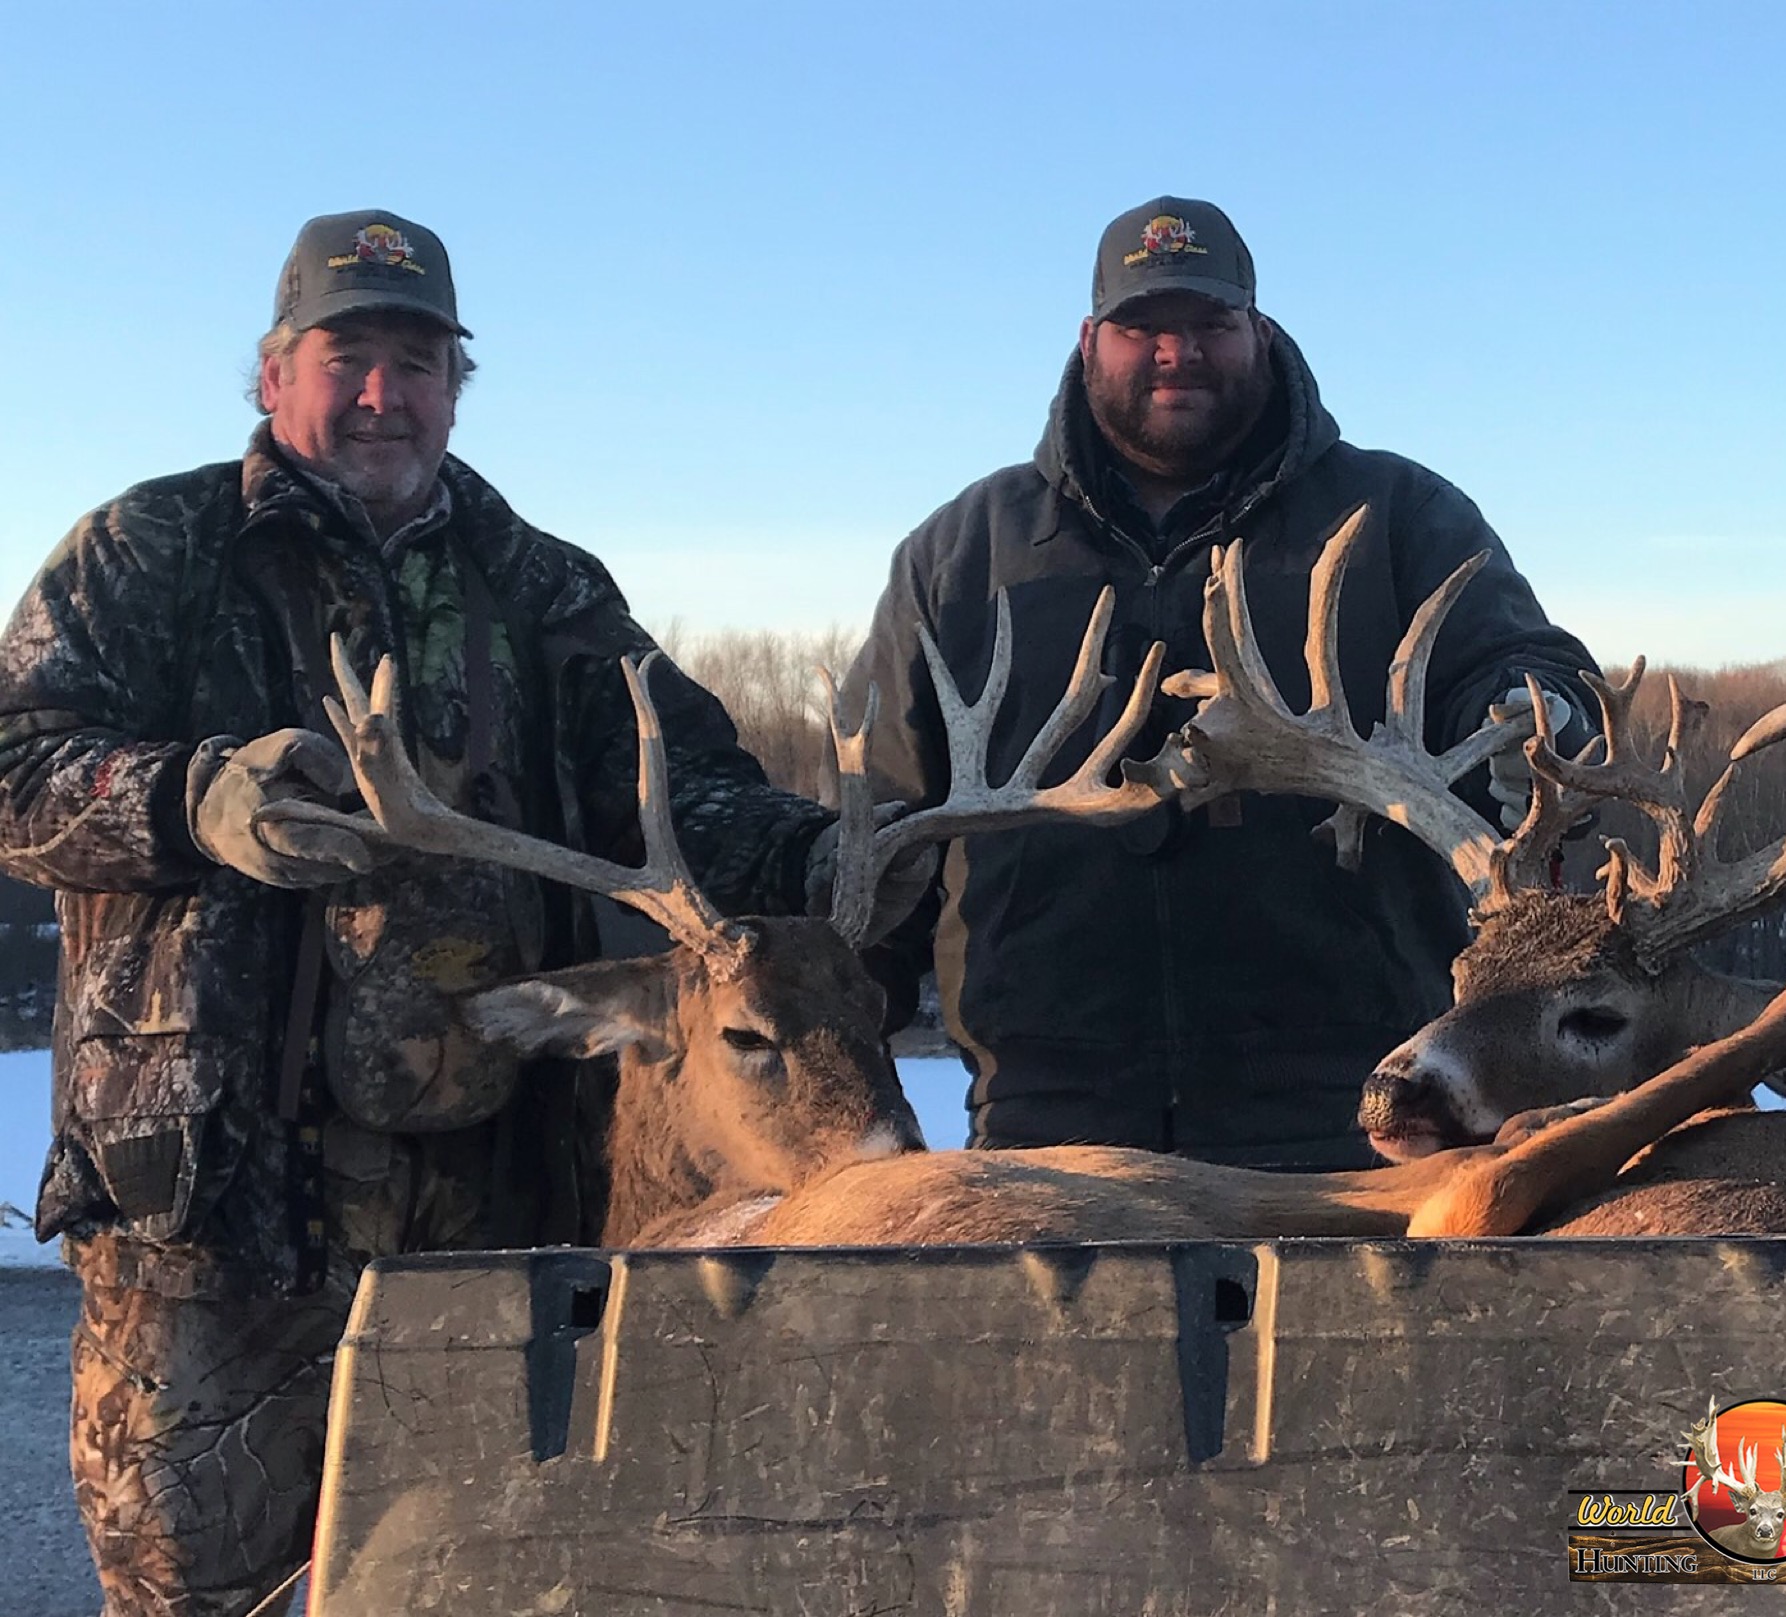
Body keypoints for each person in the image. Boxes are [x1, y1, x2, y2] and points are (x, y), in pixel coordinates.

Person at [0, 210, 893, 1617]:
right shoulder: (150, 550)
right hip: (218, 1199)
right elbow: (13, 763)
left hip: (485, 1190)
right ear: (273, 371)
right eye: (347, 355)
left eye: (419, 361)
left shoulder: (541, 584)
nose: (382, 394)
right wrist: (190, 799)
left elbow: (678, 786)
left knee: (464, 1572)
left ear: (457, 384)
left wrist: (820, 848)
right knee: (194, 1581)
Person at [846, 195, 1599, 1171]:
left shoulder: (1398, 516)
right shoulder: (960, 552)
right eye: (1142, 326)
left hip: (1362, 1115)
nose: (1176, 351)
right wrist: (842, 1036)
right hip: (1045, 1119)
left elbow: (1516, 668)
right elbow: (884, 831)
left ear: (1258, 329)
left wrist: (1534, 725)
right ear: (1088, 340)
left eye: (1208, 323)